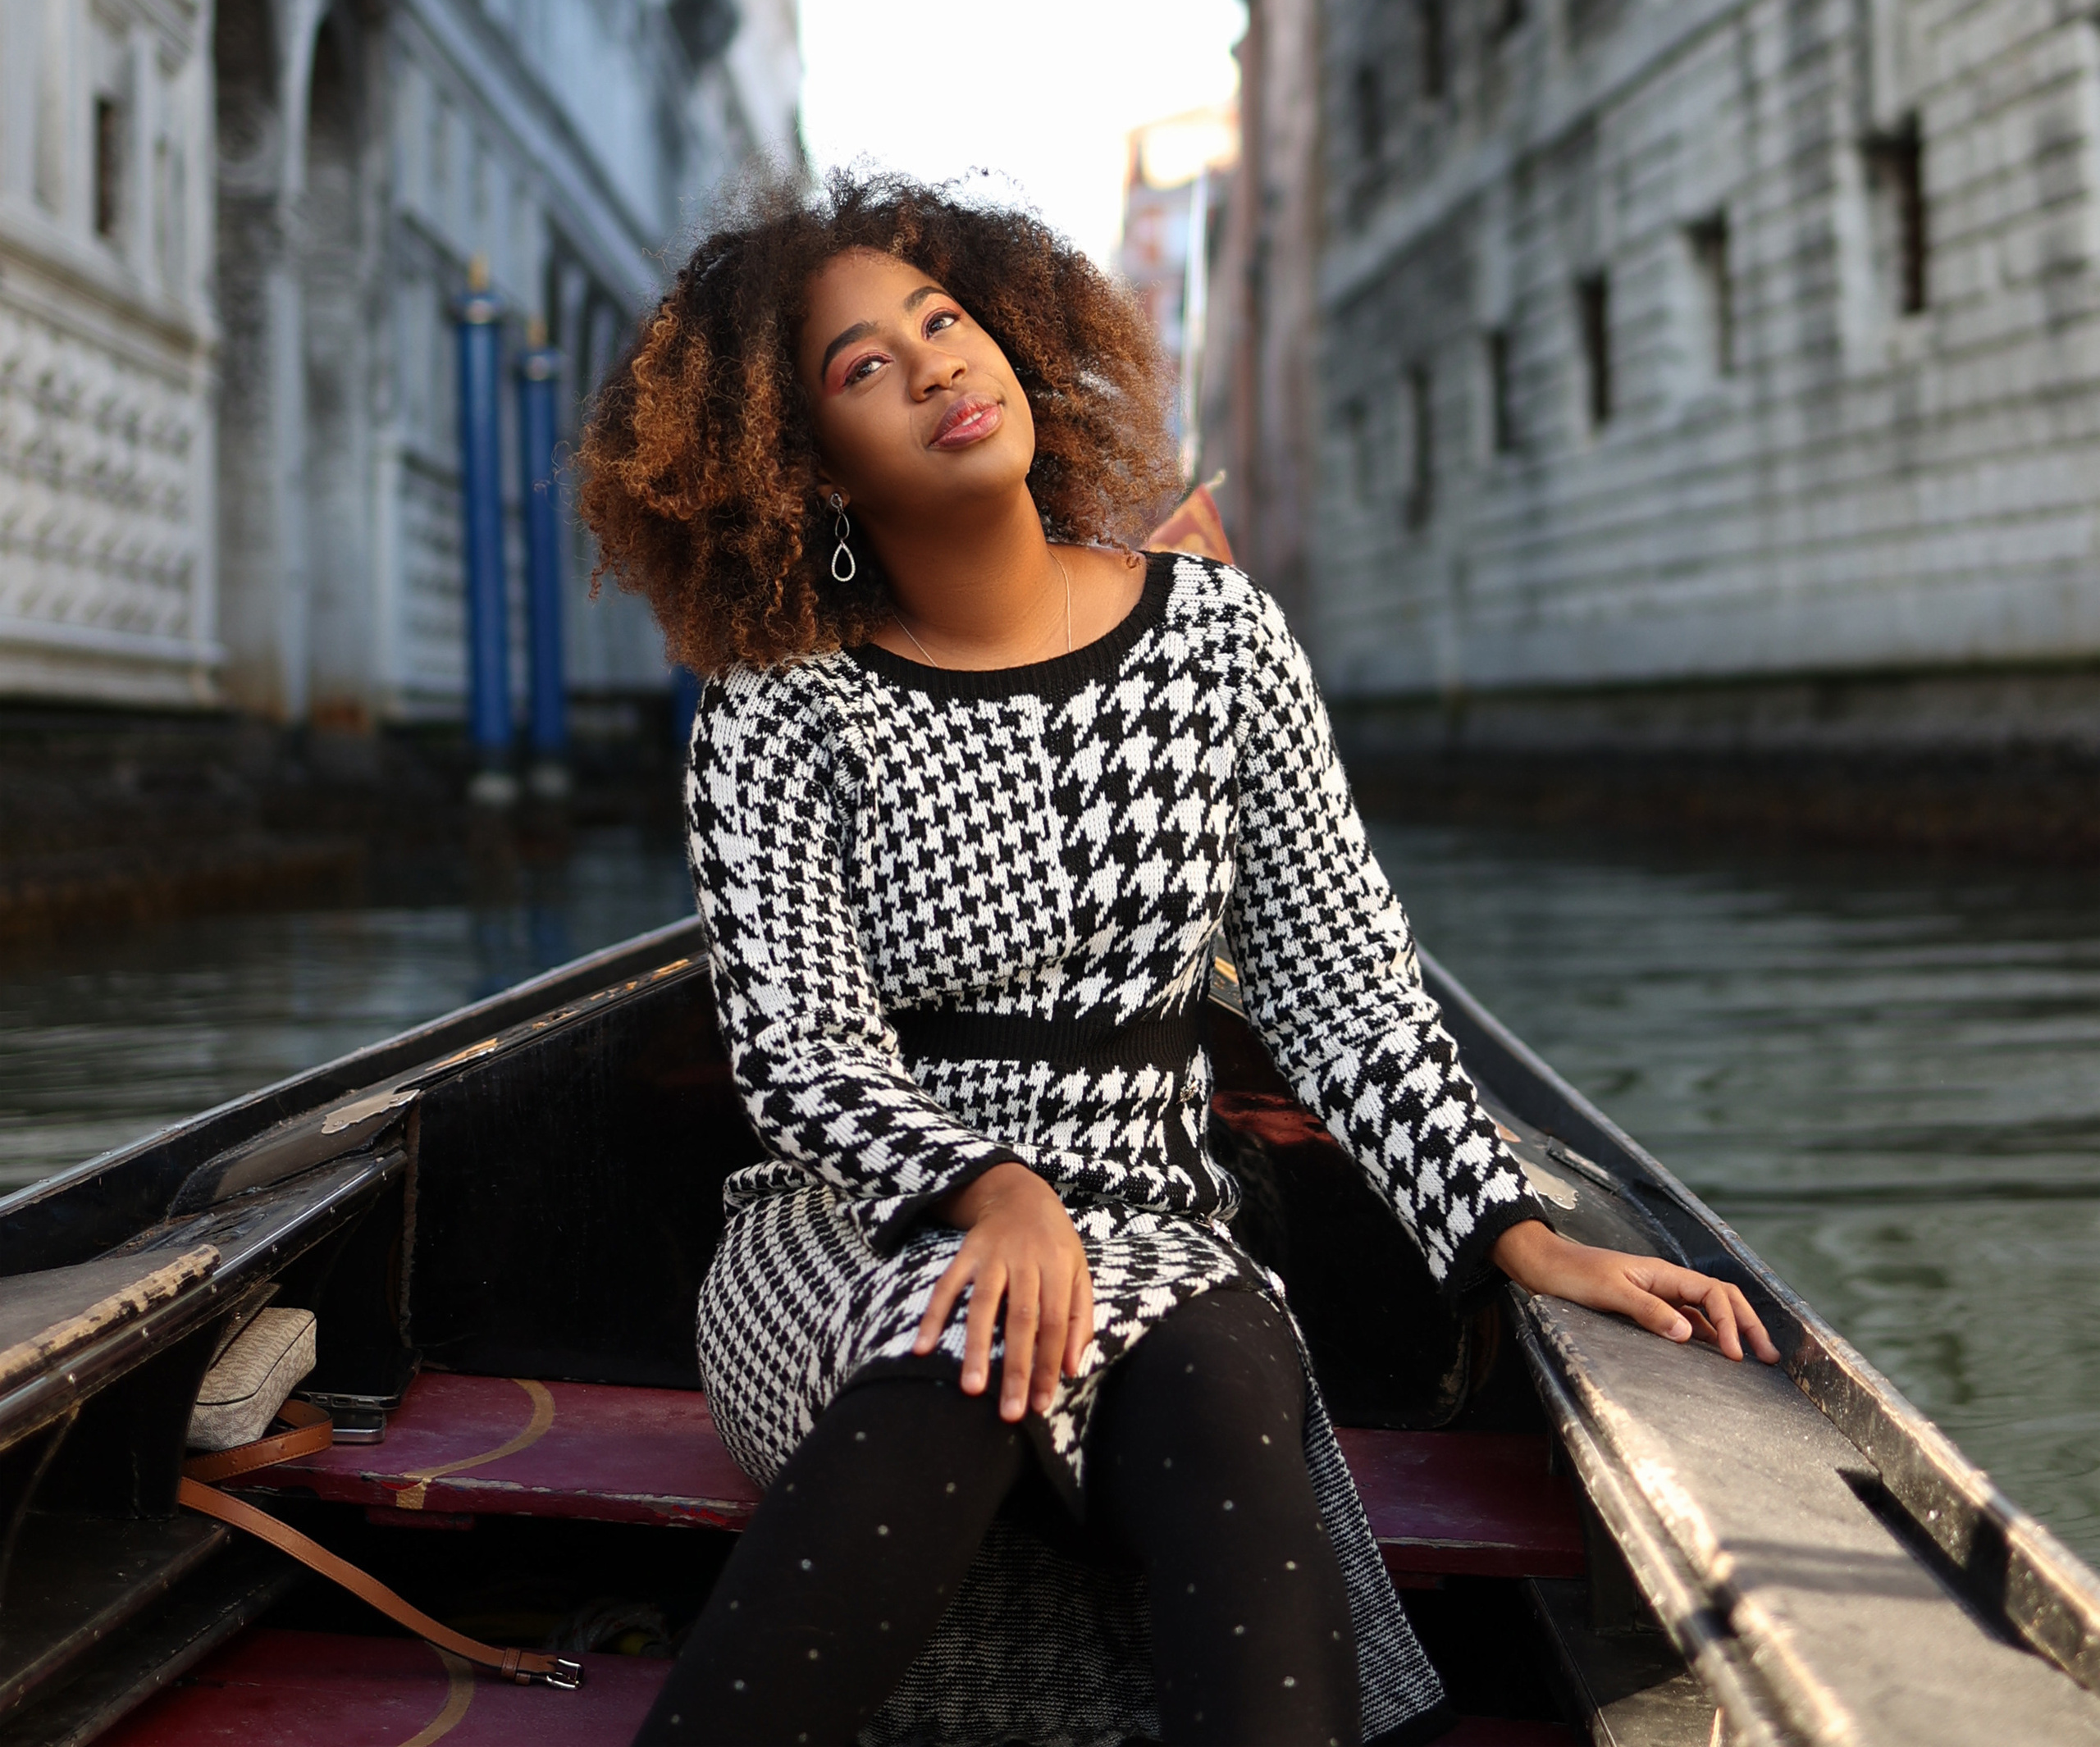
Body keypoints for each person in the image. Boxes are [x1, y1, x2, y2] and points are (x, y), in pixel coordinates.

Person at [578, 168, 1775, 1747]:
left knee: (1216, 1372)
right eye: (863, 365)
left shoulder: (1219, 642)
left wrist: (1511, 1235)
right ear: (798, 468)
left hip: (1154, 1219)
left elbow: (1344, 990)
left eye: (944, 321)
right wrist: (993, 1195)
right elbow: (801, 1056)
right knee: (958, 1349)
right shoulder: (778, 706)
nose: (939, 364)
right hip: (855, 1227)